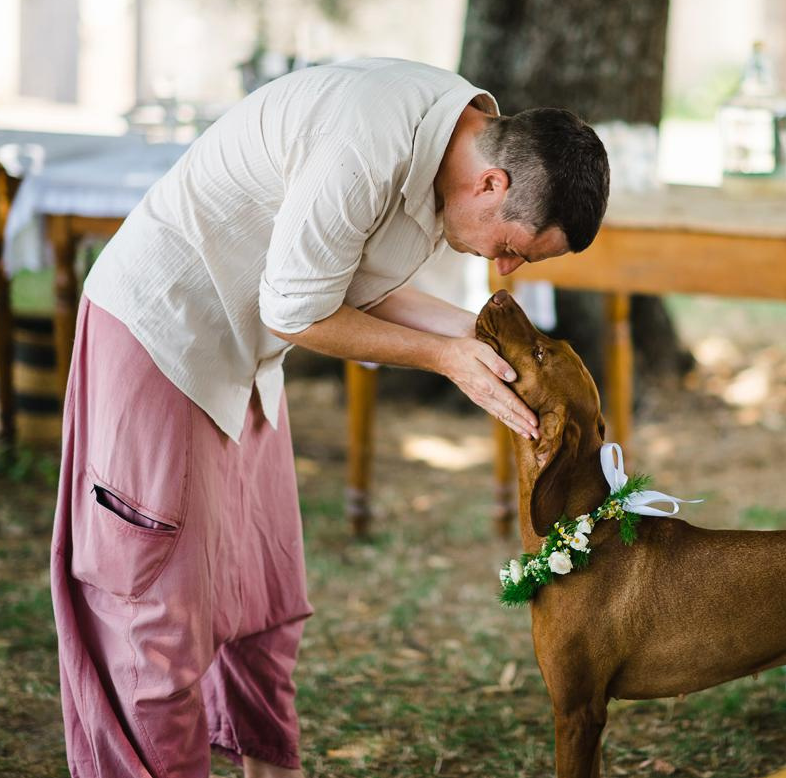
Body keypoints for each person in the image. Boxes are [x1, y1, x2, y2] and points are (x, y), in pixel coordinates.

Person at [50, 58, 610, 777]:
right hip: (165, 334)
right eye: (511, 249)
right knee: (154, 617)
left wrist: (481, 344)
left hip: (246, 353)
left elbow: (343, 280)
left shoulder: (451, 149)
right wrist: (443, 357)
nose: (504, 270)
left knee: (264, 593)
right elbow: (295, 308)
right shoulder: (366, 143)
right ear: (493, 184)